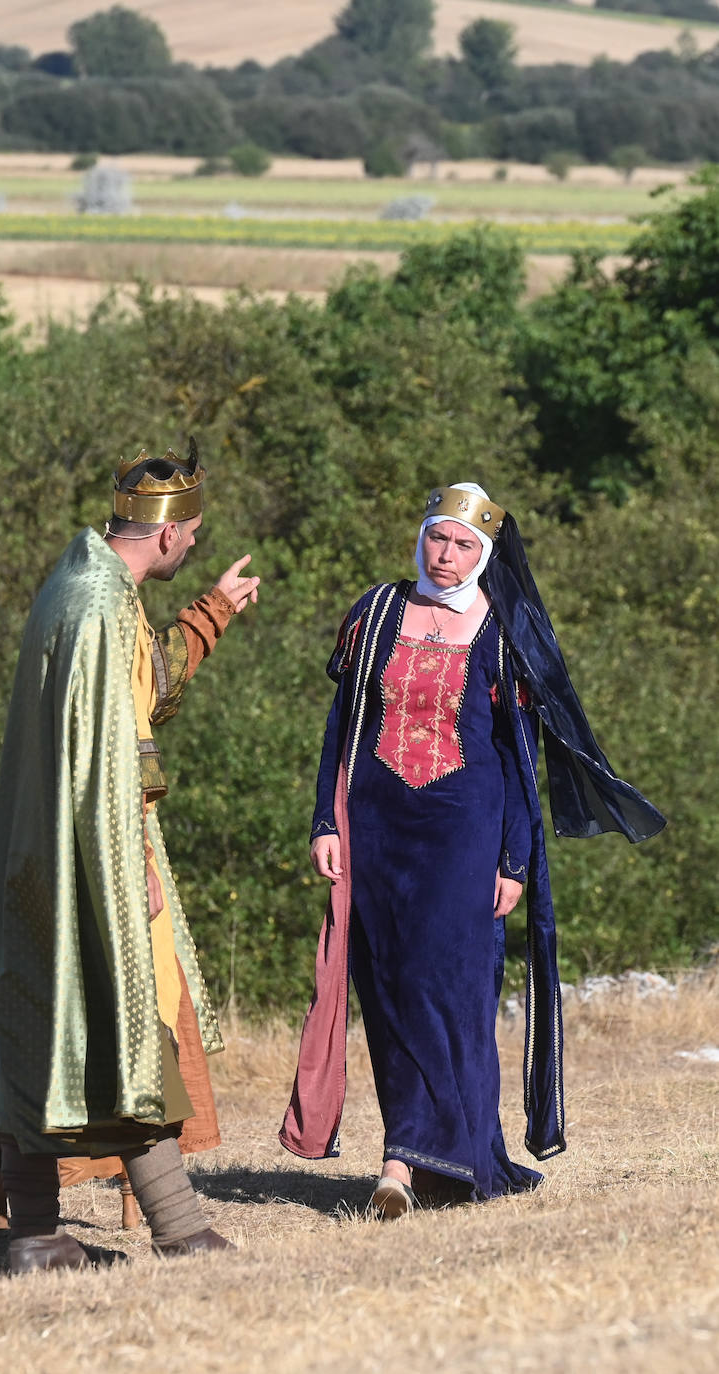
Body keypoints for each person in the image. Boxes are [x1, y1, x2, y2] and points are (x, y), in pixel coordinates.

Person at [280, 483, 665, 1217]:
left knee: (447, 989)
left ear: (483, 553)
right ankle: (425, 1155)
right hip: (374, 831)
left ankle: (405, 1162)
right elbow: (341, 728)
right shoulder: (375, 612)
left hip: (464, 834)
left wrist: (514, 860)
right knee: (387, 987)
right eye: (437, 538)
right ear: (420, 538)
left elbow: (518, 759)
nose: (446, 556)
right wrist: (322, 824)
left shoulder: (502, 632)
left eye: (462, 545)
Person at [0, 441, 260, 1272]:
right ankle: (175, 1226)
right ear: (170, 535)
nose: (195, 550)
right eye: (194, 539)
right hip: (90, 847)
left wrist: (210, 614)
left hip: (46, 848)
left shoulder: (86, 582)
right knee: (127, 1021)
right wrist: (127, 858)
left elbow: (138, 691)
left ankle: (35, 1234)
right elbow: (105, 752)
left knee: (54, 1023)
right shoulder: (99, 605)